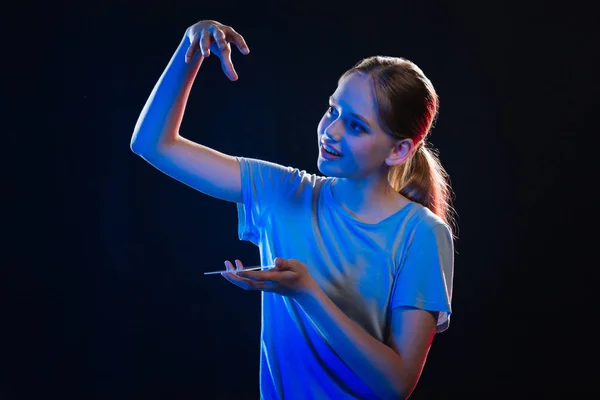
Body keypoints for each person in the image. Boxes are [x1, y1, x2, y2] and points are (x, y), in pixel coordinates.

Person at [131, 18, 456, 400]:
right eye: (332, 110)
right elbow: (153, 144)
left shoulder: (421, 233)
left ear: (399, 150)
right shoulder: (282, 191)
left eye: (355, 126)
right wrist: (189, 53)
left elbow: (395, 384)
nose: (330, 131)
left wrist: (306, 293)